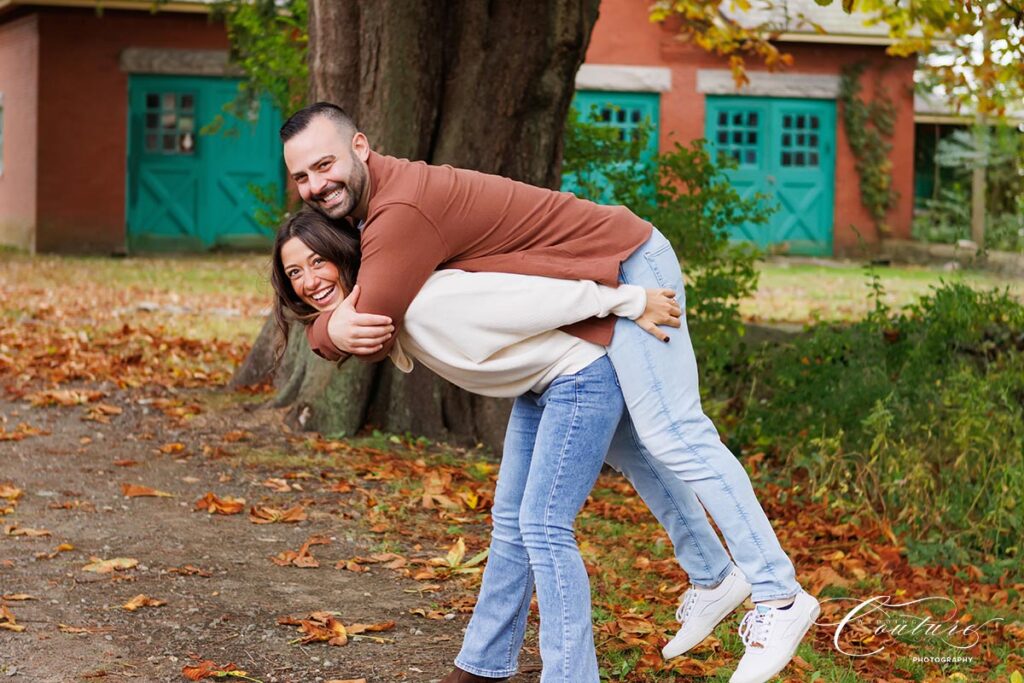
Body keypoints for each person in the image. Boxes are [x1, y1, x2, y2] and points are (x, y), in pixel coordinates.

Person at [280, 102, 820, 683]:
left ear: (360, 147)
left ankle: (779, 597)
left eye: (324, 164)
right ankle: (714, 577)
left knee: (675, 433)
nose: (315, 184)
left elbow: (369, 322)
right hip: (587, 298)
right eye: (301, 176)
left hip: (625, 267)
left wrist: (323, 329)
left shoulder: (399, 211)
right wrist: (328, 323)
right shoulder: (375, 211)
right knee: (634, 446)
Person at [271, 210, 682, 682]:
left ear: (343, 254)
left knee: (543, 525)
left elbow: (536, 297)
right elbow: (331, 331)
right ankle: (483, 667)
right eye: (295, 272)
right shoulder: (383, 304)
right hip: (541, 383)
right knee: (511, 521)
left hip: (582, 376)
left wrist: (630, 300)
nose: (308, 281)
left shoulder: (427, 297)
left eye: (317, 261)